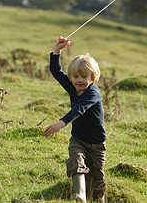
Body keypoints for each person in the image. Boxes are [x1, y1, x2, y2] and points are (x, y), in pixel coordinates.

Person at [45, 37, 107, 202]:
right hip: (78, 139)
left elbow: (79, 109)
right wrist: (57, 51)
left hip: (96, 144)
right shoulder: (73, 87)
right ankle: (79, 196)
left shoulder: (93, 93)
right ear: (71, 77)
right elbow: (56, 71)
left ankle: (97, 199)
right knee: (76, 162)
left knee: (97, 179)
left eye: (84, 76)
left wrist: (61, 122)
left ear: (93, 78)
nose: (80, 80)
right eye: (76, 76)